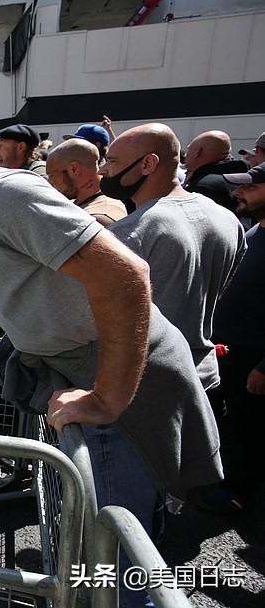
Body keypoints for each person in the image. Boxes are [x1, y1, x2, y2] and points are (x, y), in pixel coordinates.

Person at [0, 122, 222, 608]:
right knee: (103, 547)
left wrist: (105, 397)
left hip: (111, 379)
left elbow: (126, 275)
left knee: (120, 562)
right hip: (95, 369)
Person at [102, 123, 245, 392]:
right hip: (201, 377)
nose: (103, 170)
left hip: (143, 387)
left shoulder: (130, 232)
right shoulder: (226, 219)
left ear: (148, 164)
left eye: (112, 160)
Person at [196, 162, 265, 514]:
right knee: (230, 422)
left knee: (248, 429)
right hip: (230, 351)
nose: (240, 192)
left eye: (251, 187)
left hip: (254, 359)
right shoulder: (253, 230)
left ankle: (241, 493)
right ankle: (223, 479)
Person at [46, 139, 127, 226]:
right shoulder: (86, 204)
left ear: (74, 169)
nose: (50, 182)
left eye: (53, 175)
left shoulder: (97, 218)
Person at [183, 130, 248, 214]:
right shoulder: (244, 177)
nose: (186, 155)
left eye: (189, 149)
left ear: (197, 152)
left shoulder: (203, 187)